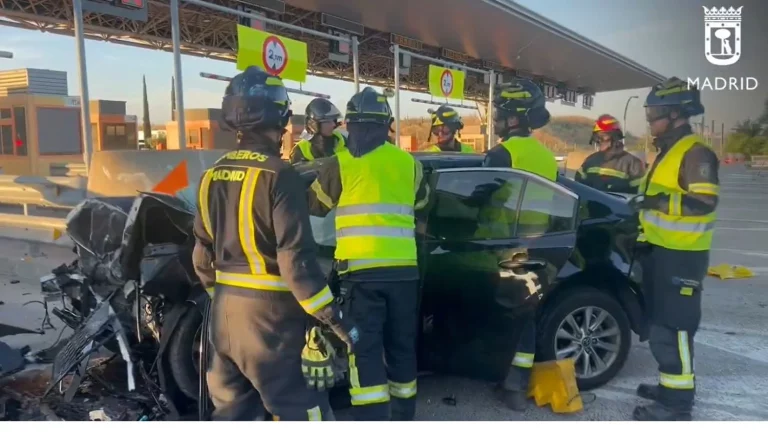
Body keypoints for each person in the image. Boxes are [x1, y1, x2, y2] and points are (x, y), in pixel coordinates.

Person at [192, 66, 359, 421]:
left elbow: (202, 260)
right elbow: (295, 265)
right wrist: (335, 320)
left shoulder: (210, 176)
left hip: (222, 318)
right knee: (306, 413)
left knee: (234, 415)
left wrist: (226, 302)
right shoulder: (280, 176)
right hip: (272, 323)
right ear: (279, 116)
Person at [306, 86, 430, 421]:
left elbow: (315, 207)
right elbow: (421, 204)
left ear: (351, 124)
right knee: (403, 348)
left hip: (360, 275)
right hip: (405, 274)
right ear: (386, 124)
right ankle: (404, 417)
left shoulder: (341, 164)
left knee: (364, 349)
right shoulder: (410, 164)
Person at [631, 77, 719, 421]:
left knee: (676, 327)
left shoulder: (696, 152)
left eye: (654, 113)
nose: (650, 120)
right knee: (659, 325)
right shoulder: (668, 151)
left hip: (683, 255)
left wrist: (654, 199)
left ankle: (677, 405)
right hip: (662, 251)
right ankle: (670, 387)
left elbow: (704, 202)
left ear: (676, 113)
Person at [482, 78, 558, 411]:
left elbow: (482, 202)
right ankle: (516, 383)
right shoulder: (546, 157)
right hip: (539, 248)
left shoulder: (501, 154)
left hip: (505, 249)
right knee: (526, 316)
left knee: (505, 316)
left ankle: (506, 382)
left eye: (500, 113)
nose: (496, 119)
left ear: (514, 119)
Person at [575, 114, 646, 193]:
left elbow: (639, 195)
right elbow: (577, 187)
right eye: (597, 136)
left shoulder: (633, 164)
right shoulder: (590, 161)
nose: (599, 140)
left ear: (615, 137)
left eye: (603, 136)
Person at [290, 98, 348, 163]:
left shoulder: (344, 141)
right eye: (328, 121)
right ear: (313, 124)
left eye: (333, 120)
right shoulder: (300, 150)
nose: (333, 125)